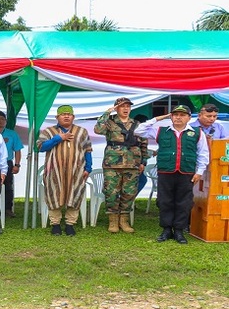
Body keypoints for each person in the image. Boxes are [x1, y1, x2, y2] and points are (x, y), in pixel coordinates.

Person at [134, 105, 209, 244]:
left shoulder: (197, 132)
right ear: (171, 117)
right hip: (166, 171)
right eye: (175, 115)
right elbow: (138, 131)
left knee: (184, 202)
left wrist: (199, 172)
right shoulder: (161, 130)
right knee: (164, 201)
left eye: (182, 115)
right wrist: (158, 118)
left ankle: (179, 231)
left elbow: (203, 154)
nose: (178, 117)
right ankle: (167, 229)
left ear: (188, 117)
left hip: (186, 172)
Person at [94, 97, 149, 234]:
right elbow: (97, 129)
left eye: (128, 106)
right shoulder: (110, 123)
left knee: (129, 193)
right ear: (116, 108)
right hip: (112, 164)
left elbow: (144, 143)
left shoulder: (136, 124)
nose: (125, 109)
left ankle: (123, 220)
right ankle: (113, 220)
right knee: (111, 192)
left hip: (132, 164)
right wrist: (107, 113)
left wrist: (143, 162)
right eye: (122, 106)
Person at [36, 105, 92, 236]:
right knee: (54, 194)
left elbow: (87, 150)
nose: (66, 116)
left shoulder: (81, 131)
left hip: (76, 171)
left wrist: (88, 168)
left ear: (73, 117)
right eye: (63, 114)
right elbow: (41, 147)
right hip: (54, 171)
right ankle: (55, 224)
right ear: (57, 117)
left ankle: (70, 224)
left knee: (75, 194)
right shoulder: (48, 131)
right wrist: (58, 138)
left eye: (69, 114)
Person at [0, 110, 23, 217]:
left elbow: (17, 150)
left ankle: (8, 208)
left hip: (7, 162)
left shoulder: (12, 133)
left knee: (8, 186)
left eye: (1, 119)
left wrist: (17, 165)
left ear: (6, 121)